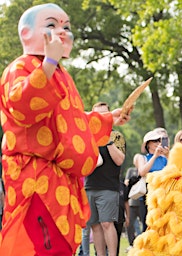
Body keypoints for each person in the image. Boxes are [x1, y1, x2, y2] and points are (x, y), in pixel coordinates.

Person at [0, 4, 130, 255]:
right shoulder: (20, 67)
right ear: (27, 34)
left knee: (60, 245)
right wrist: (48, 63)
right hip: (34, 177)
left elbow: (71, 122)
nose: (61, 32)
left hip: (61, 179)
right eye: (51, 25)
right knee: (42, 245)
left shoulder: (62, 75)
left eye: (66, 27)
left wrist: (109, 119)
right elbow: (22, 107)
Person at [85, 102, 126, 256]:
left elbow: (120, 160)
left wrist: (106, 137)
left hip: (108, 187)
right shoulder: (87, 135)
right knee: (95, 225)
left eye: (104, 114)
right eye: (97, 114)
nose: (101, 117)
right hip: (89, 185)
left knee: (107, 223)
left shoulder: (116, 136)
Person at [136, 130, 169, 231]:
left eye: (159, 141)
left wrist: (168, 155)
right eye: (155, 141)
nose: (158, 143)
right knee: (148, 225)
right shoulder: (142, 158)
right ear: (148, 144)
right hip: (147, 196)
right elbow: (142, 172)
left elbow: (174, 170)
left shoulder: (165, 159)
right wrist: (155, 156)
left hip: (163, 195)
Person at [124, 165, 142, 252]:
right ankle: (132, 244)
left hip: (142, 202)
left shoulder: (145, 170)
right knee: (129, 224)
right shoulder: (131, 170)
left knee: (146, 224)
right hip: (132, 203)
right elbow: (126, 182)